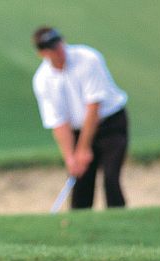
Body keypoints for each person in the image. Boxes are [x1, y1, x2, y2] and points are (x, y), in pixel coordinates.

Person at [31, 26, 129, 209]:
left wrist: (83, 149)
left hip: (111, 125)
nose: (59, 50)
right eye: (52, 48)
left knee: (110, 177)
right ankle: (77, 226)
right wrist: (71, 157)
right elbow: (59, 122)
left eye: (59, 44)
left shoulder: (88, 58)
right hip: (77, 130)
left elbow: (94, 106)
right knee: (80, 181)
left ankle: (118, 222)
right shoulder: (42, 80)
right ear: (43, 53)